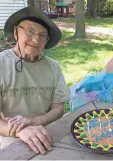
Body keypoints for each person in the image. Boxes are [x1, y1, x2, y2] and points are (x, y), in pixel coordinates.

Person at [0, 7, 70, 154]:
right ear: (15, 32)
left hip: (46, 133)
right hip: (7, 136)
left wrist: (34, 122)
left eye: (42, 35)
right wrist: (20, 131)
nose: (36, 39)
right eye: (30, 31)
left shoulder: (53, 67)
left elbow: (58, 108)